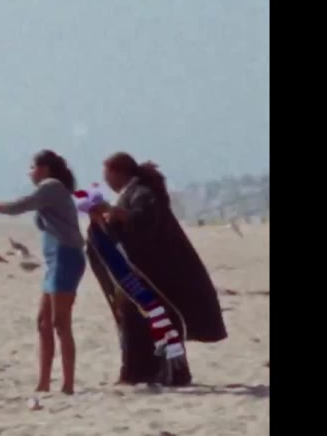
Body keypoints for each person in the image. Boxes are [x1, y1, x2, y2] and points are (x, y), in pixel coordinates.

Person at [86, 152, 227, 385]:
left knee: (157, 322)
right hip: (142, 273)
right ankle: (143, 373)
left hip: (157, 275)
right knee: (142, 323)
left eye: (107, 176)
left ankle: (164, 373)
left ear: (119, 173)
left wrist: (121, 215)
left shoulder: (143, 193)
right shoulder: (133, 193)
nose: (107, 182)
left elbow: (145, 224)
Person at [0, 150, 86, 394]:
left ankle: (68, 385)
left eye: (32, 167)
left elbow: (16, 207)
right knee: (43, 322)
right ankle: (43, 383)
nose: (29, 173)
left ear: (45, 168)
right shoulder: (50, 190)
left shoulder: (51, 186)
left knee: (61, 322)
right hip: (54, 260)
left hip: (66, 257)